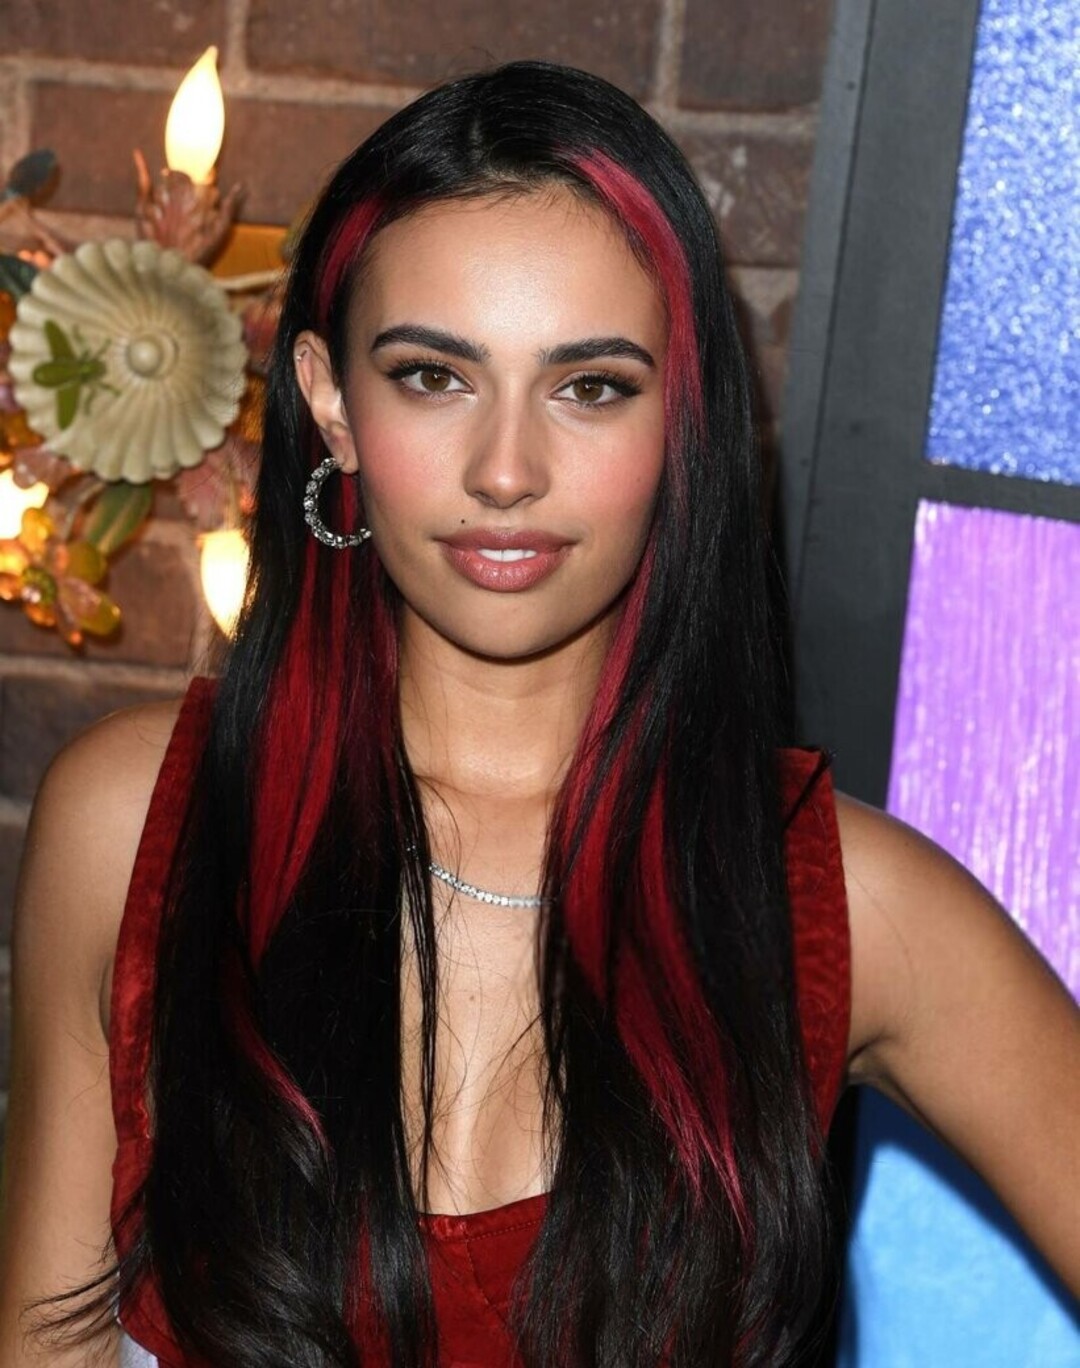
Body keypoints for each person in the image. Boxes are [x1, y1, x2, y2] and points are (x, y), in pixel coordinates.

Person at [0, 59, 1076, 1368]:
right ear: (333, 404)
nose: (506, 471)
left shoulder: (846, 901)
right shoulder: (134, 821)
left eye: (592, 386)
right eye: (433, 376)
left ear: (682, 419)